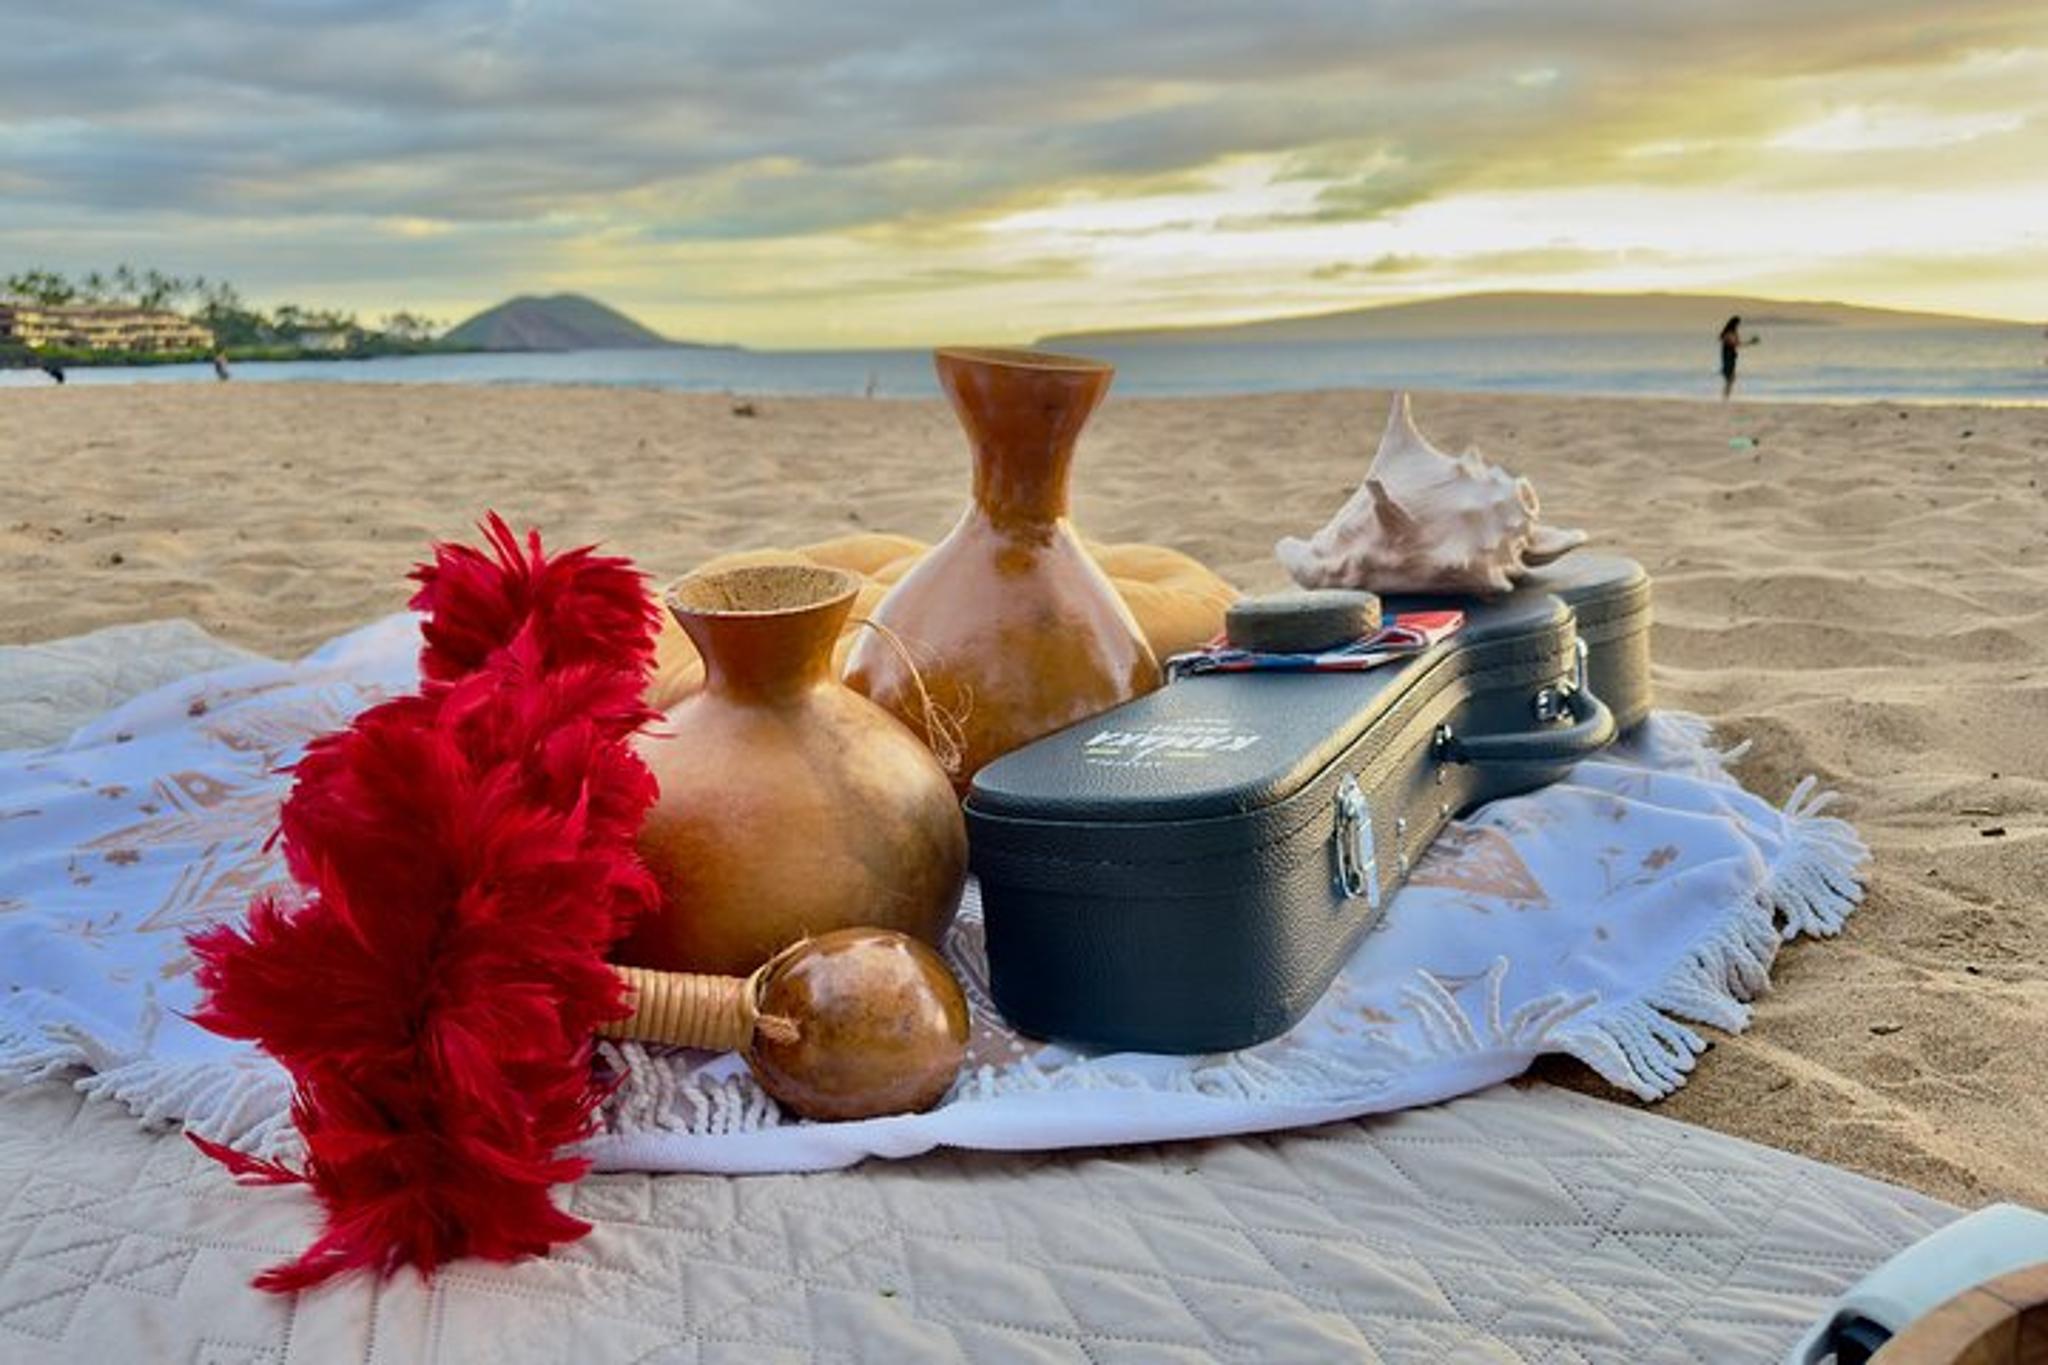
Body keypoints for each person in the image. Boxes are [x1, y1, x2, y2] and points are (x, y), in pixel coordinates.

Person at [1719, 316, 1759, 400]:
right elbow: (1733, 343)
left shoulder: (1732, 332)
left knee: (1731, 379)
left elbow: (1737, 343)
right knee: (1730, 378)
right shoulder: (1728, 333)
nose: (1738, 325)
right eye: (1737, 323)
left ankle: (1725, 396)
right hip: (1728, 357)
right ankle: (1725, 397)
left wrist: (1750, 342)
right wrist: (1750, 342)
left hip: (1731, 356)